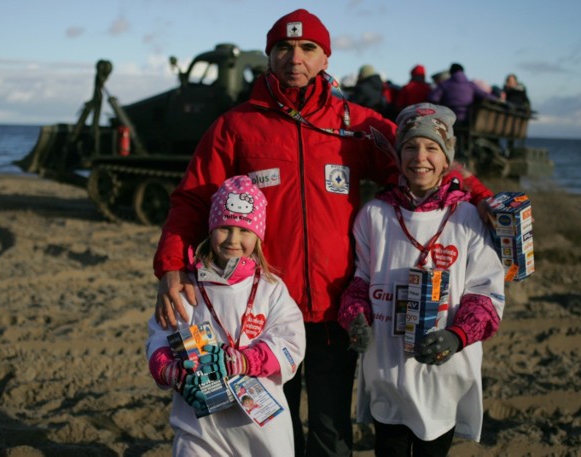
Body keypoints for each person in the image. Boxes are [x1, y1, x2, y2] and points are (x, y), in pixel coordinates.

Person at [152, 9, 493, 456]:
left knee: (331, 433)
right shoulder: (235, 127)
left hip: (336, 311)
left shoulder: (357, 124)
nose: (296, 57)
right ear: (269, 55)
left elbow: (425, 162)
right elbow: (194, 199)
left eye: (308, 48)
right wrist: (172, 265)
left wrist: (487, 202)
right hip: (263, 310)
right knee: (270, 427)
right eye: (284, 47)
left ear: (325, 56)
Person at [337, 103, 506, 456]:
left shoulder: (469, 217)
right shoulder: (375, 214)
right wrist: (355, 317)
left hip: (441, 369)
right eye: (411, 147)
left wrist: (458, 336)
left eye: (432, 148)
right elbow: (360, 281)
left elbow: (486, 295)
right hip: (388, 367)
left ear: (448, 159)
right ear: (398, 156)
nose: (420, 157)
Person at [146, 175, 306, 456]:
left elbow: (291, 343)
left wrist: (244, 361)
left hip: (261, 427)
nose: (233, 240)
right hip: (199, 427)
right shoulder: (188, 287)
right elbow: (159, 335)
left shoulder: (271, 289)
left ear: (258, 237)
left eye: (244, 231)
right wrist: (168, 369)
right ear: (210, 229)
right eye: (225, 228)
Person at [428, 63, 497, 123]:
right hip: (466, 119)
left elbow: (432, 98)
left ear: (451, 73)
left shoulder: (445, 84)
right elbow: (485, 96)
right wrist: (498, 99)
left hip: (448, 117)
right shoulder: (471, 85)